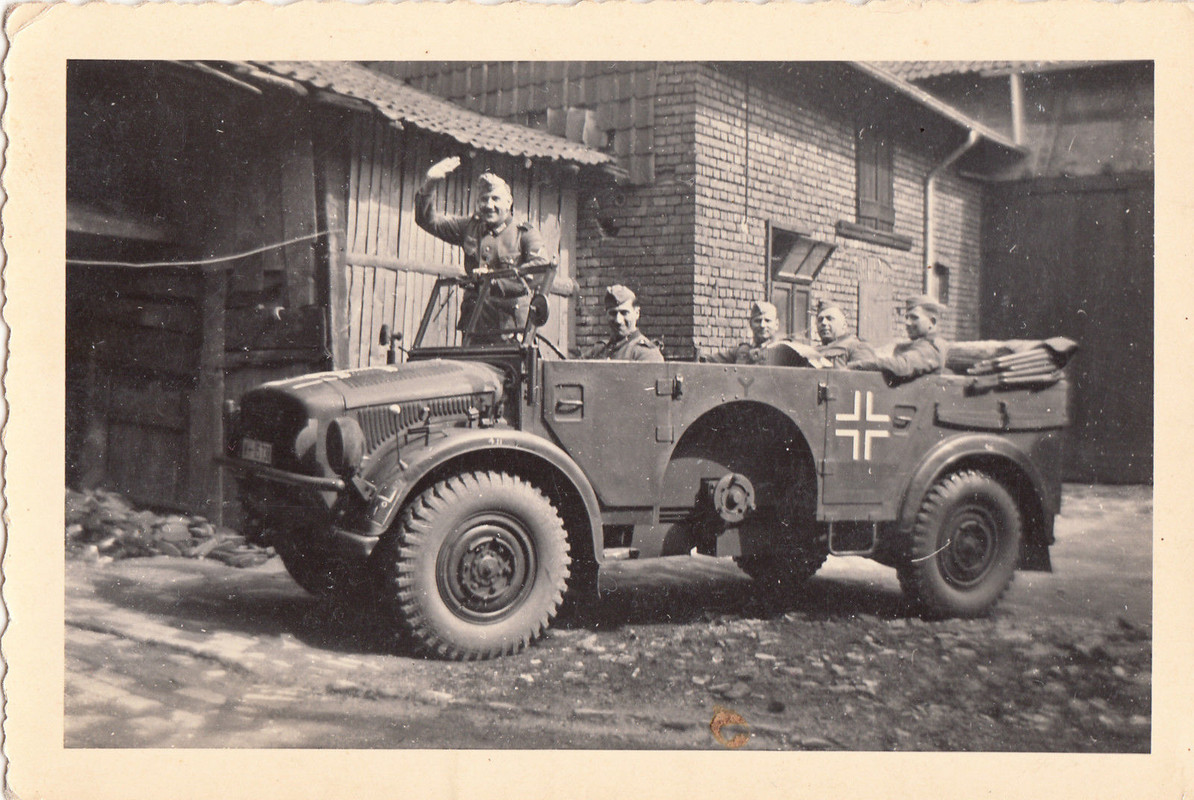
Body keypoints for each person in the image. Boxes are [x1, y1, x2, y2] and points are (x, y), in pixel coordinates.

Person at [414, 156, 549, 335]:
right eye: (484, 199)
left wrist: (492, 280)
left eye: (495, 199)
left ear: (509, 202)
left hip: (510, 331)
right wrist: (430, 183)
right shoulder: (469, 227)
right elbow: (428, 221)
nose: (489, 205)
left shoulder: (524, 233)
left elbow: (539, 269)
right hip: (473, 328)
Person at [850, 295, 948, 381]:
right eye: (907, 317)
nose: (907, 323)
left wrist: (860, 365)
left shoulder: (932, 347)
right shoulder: (920, 344)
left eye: (914, 318)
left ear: (932, 322)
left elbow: (902, 365)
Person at [584, 285, 664, 362]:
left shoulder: (646, 353)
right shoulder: (599, 350)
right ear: (606, 314)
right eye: (613, 313)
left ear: (636, 313)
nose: (618, 320)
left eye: (624, 313)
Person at [707, 301, 787, 364]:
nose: (762, 325)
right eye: (757, 321)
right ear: (750, 324)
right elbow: (710, 360)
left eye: (767, 321)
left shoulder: (784, 350)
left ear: (776, 324)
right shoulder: (743, 350)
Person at [814, 303, 875, 367]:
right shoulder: (814, 350)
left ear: (844, 325)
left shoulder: (857, 347)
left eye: (829, 319)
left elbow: (864, 375)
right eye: (820, 320)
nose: (823, 323)